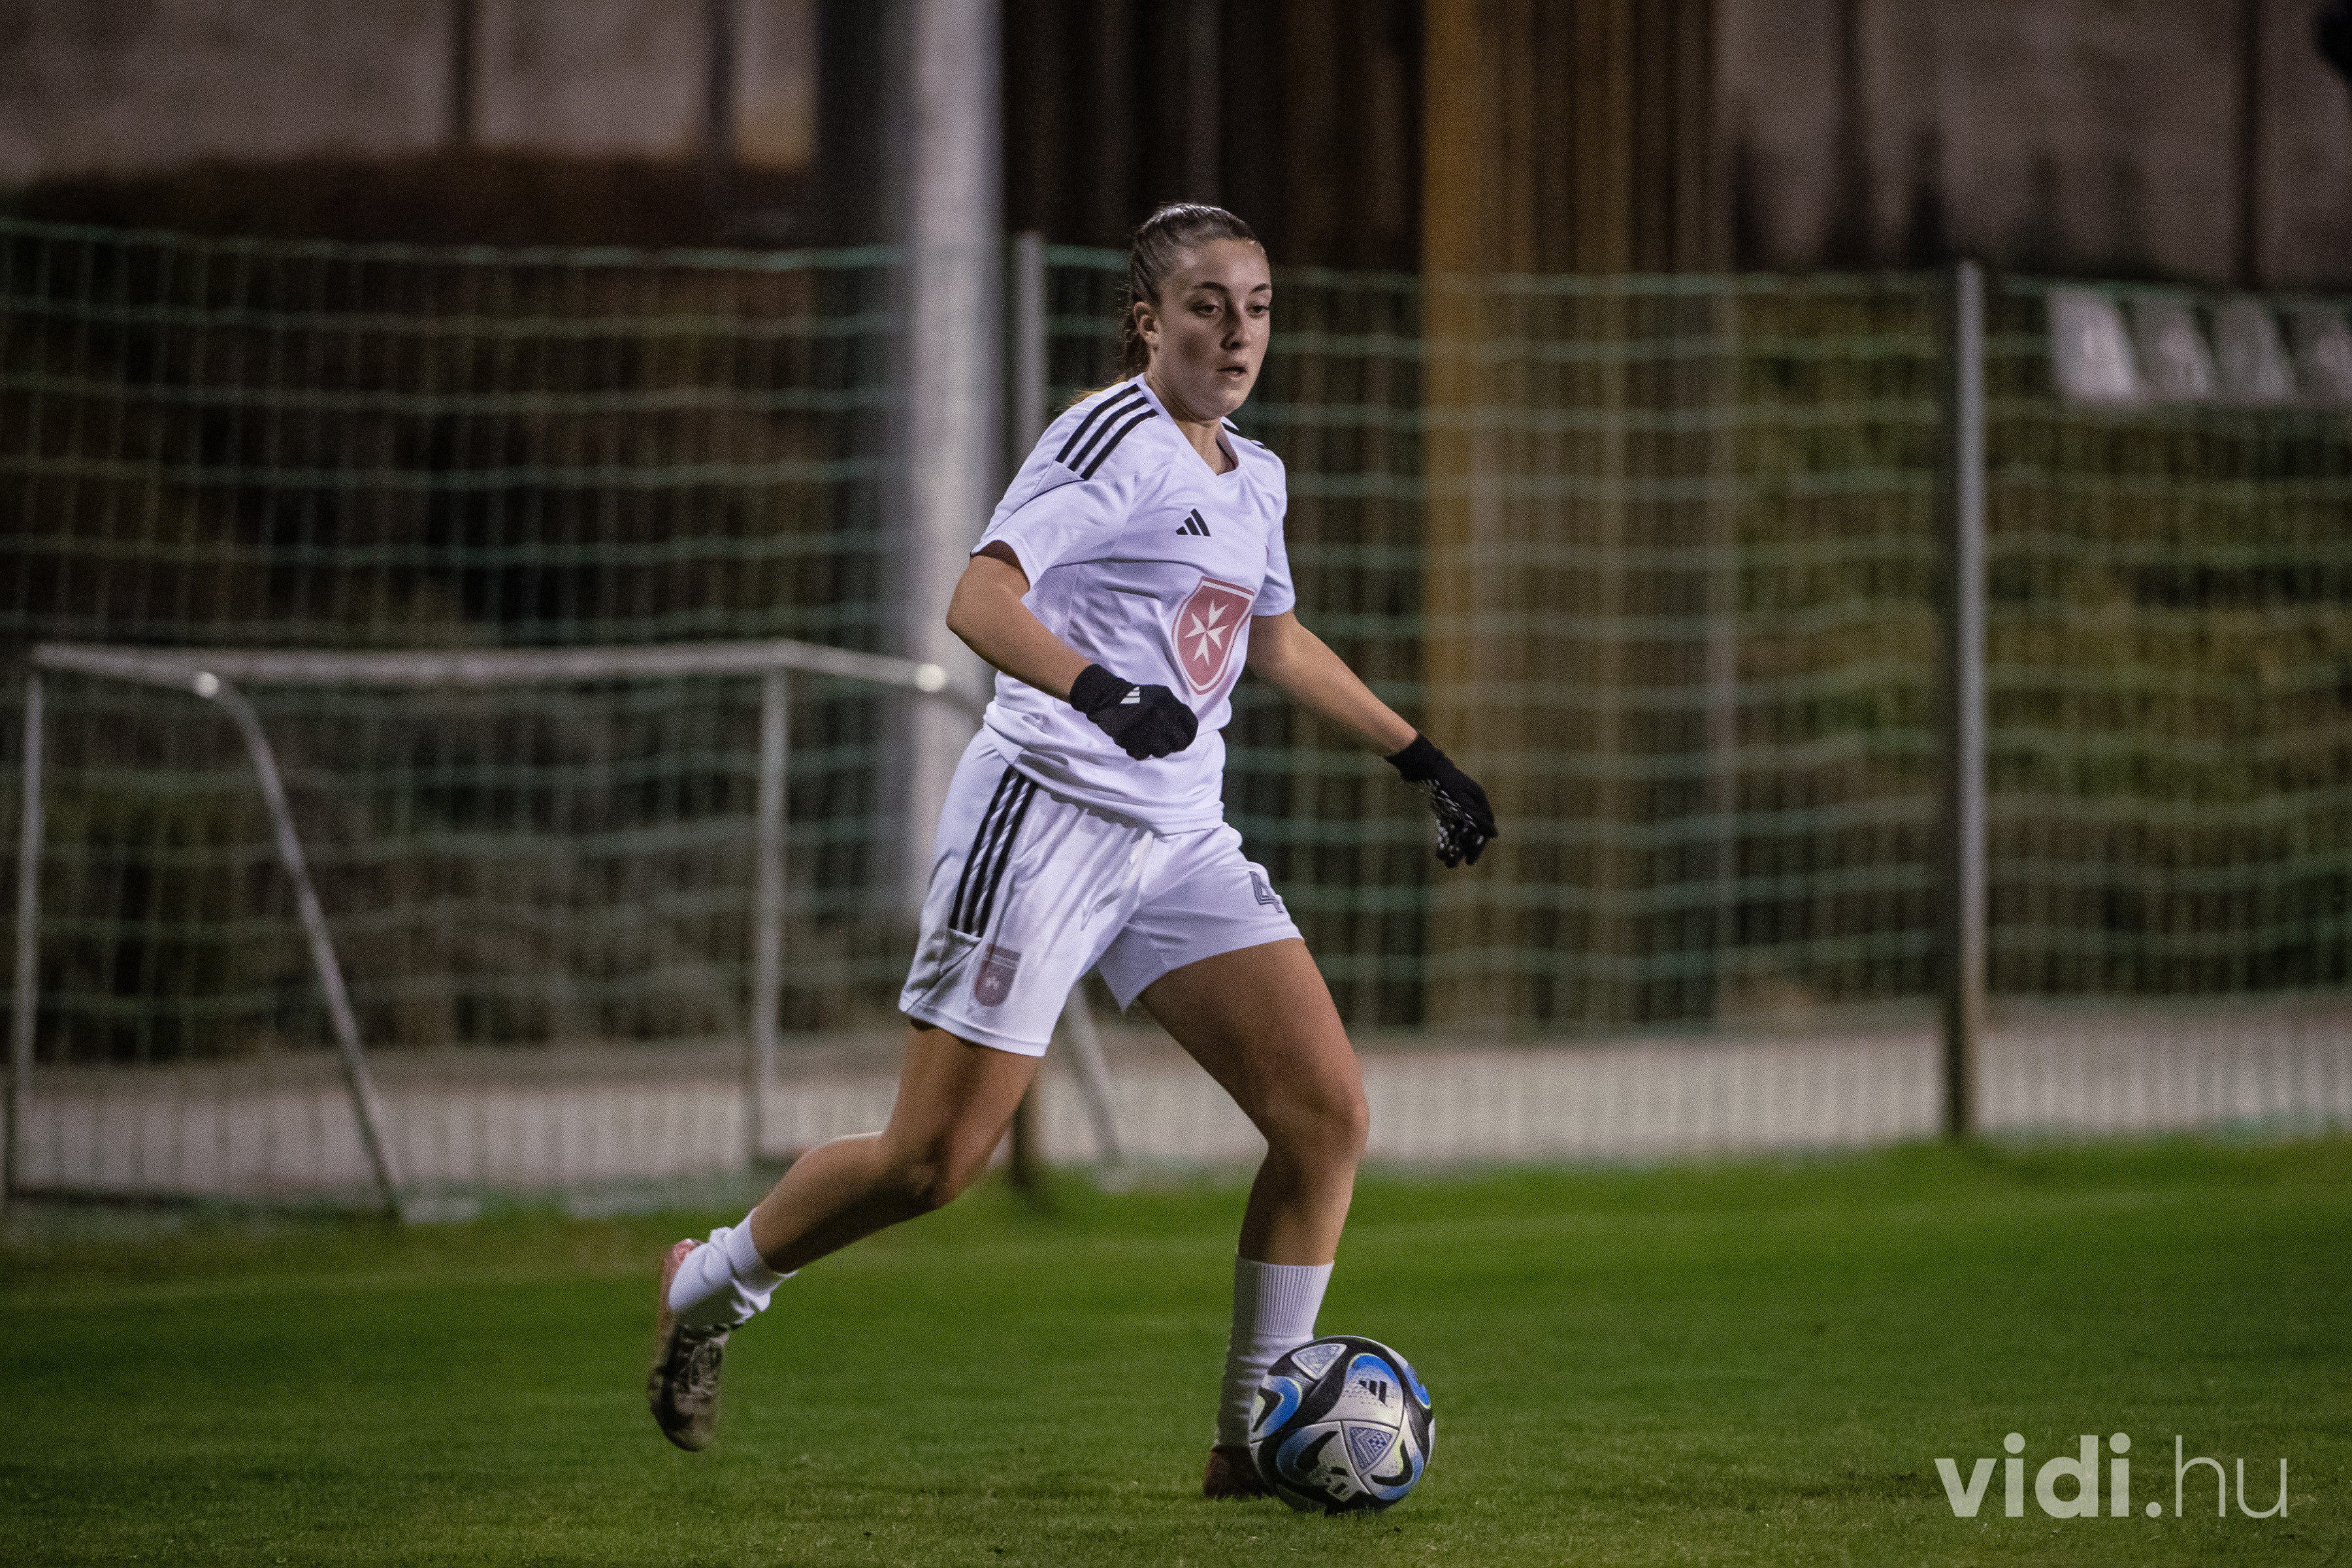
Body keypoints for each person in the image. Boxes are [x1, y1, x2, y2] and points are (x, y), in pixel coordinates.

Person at [647, 203, 1496, 1498]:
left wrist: (1417, 754)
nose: (1238, 332)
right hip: (1043, 821)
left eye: (1258, 307)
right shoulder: (1110, 435)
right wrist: (1102, 692)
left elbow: (1269, 641)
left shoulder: (1255, 476)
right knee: (934, 1164)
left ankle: (1247, 1444)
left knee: (1324, 1117)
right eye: (1207, 306)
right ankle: (709, 1284)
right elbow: (979, 596)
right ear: (1148, 322)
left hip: (1180, 844)